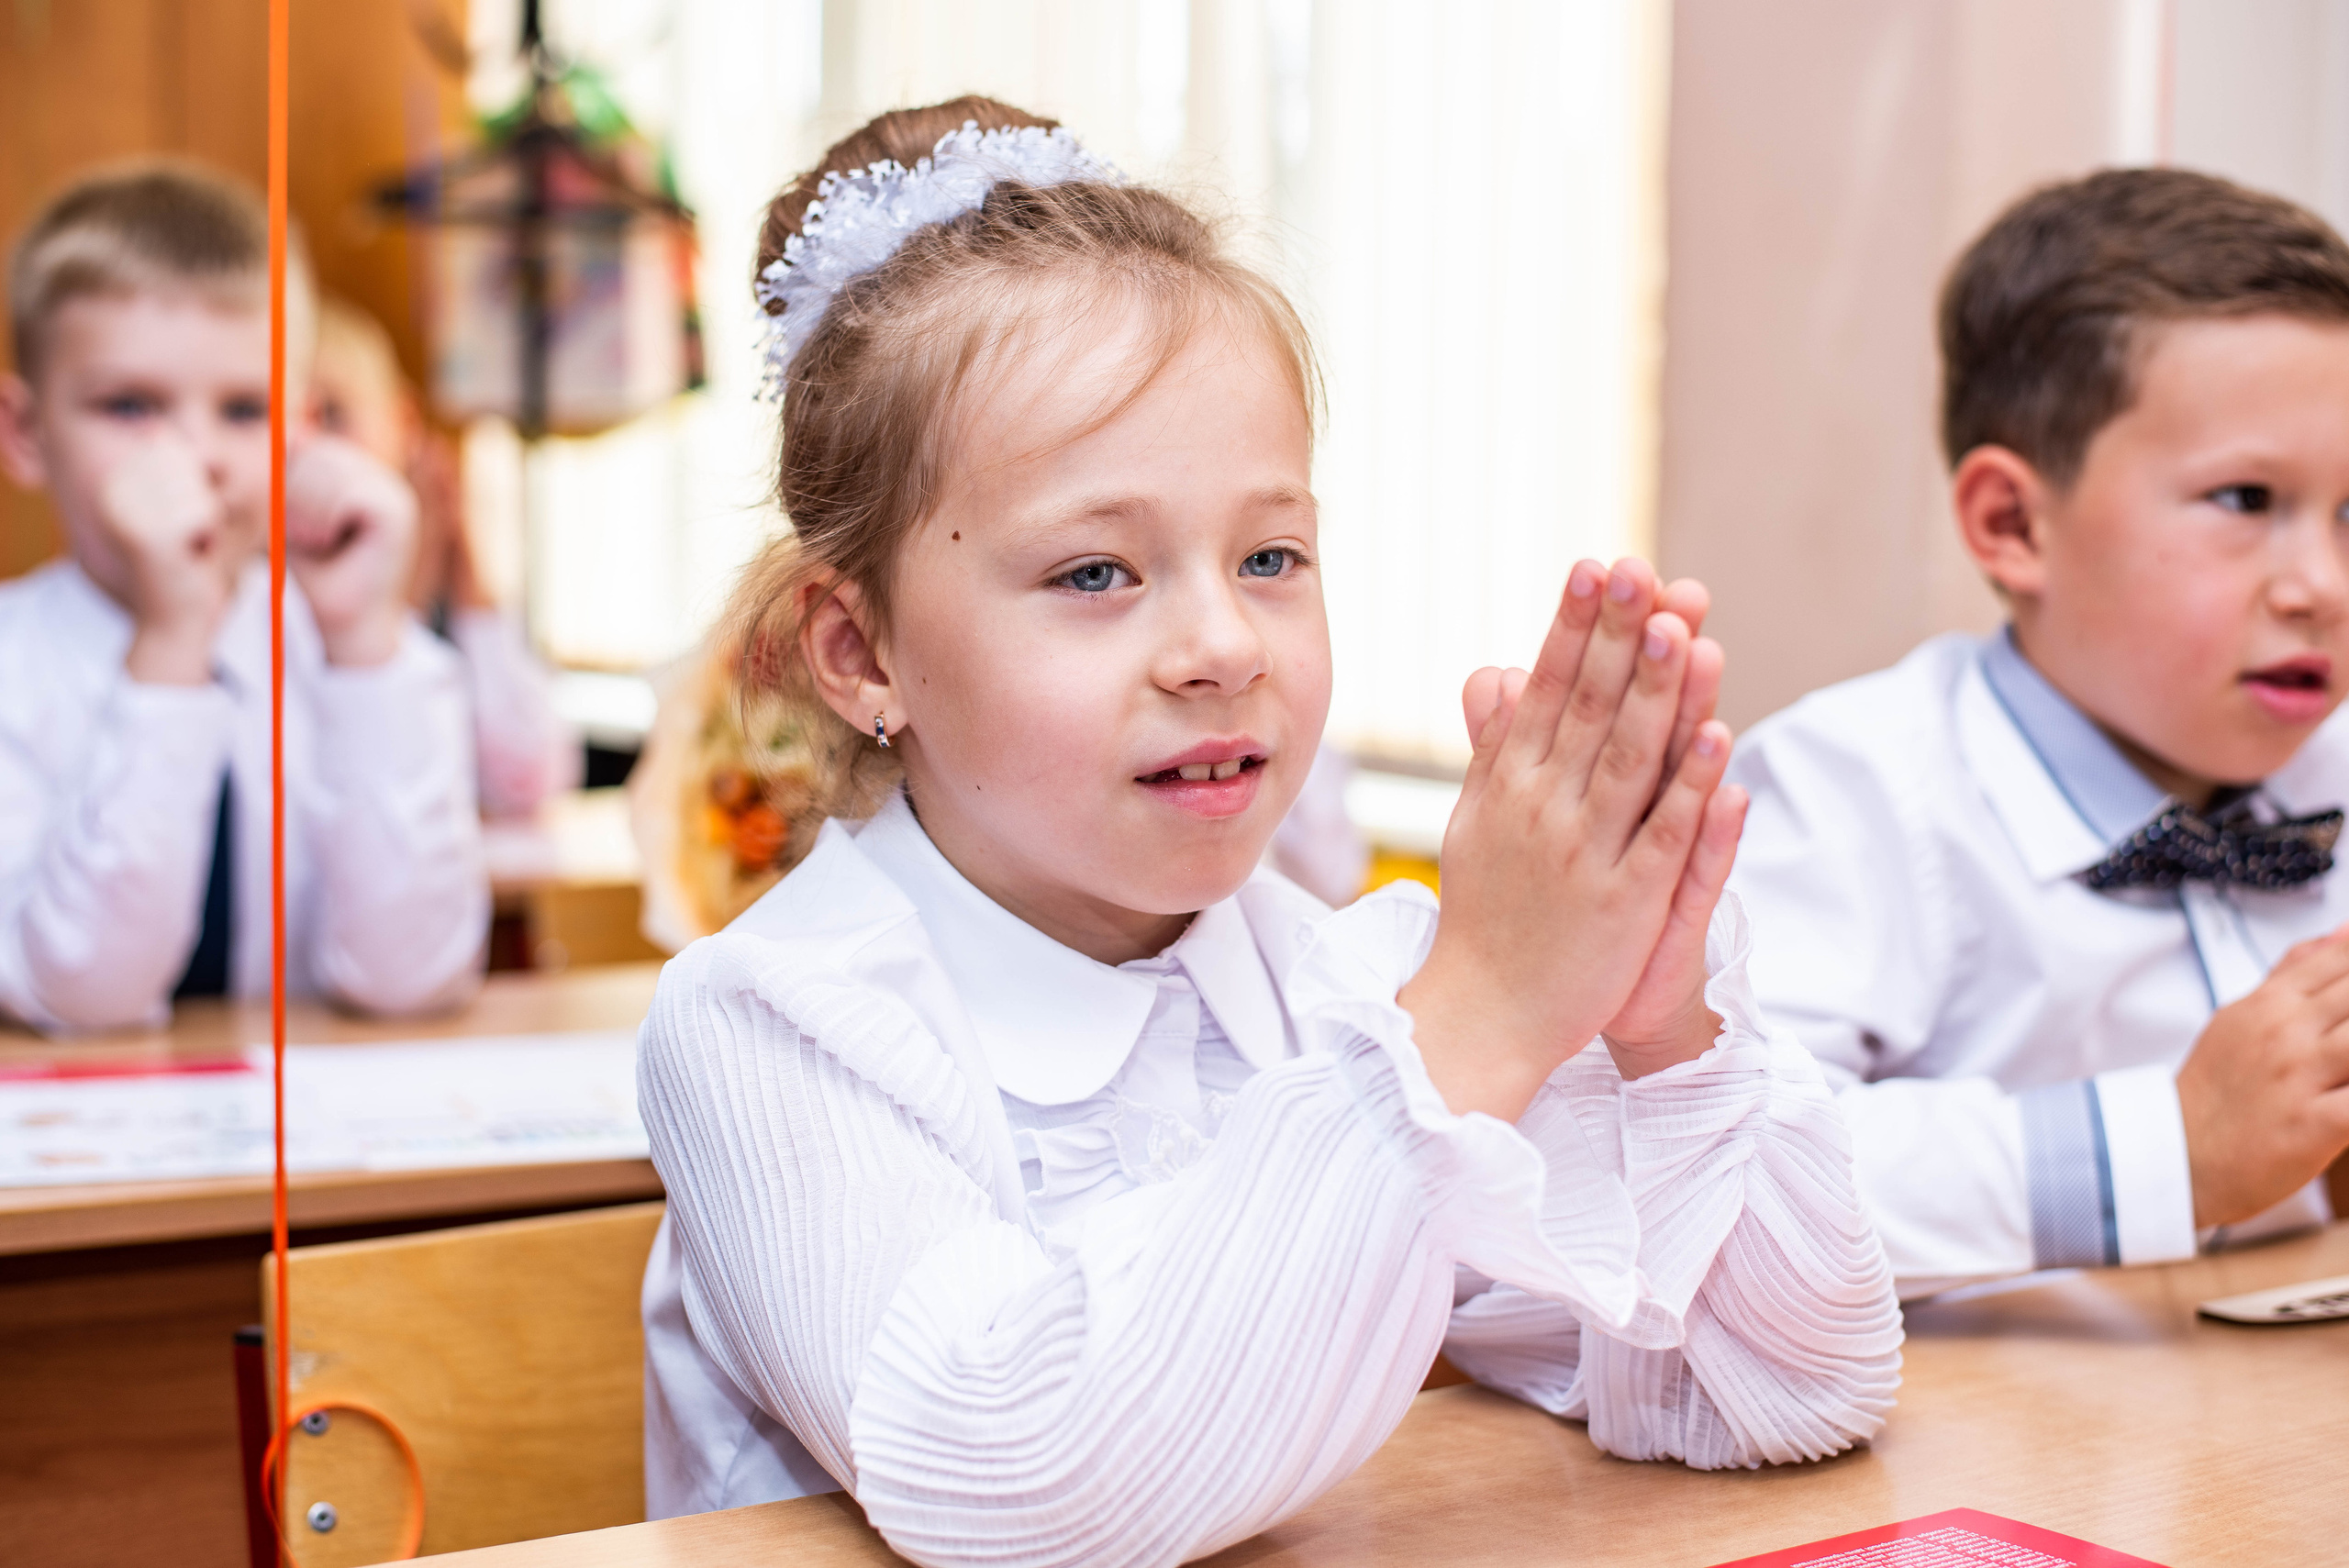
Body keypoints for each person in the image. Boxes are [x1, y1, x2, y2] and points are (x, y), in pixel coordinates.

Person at [636, 98, 1900, 1563]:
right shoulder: (772, 1023)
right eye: (1100, 571)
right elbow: (1026, 1493)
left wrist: (1662, 1025)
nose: (1223, 643)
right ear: (861, 656)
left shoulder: (1340, 990)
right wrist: (1476, 1022)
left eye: (1272, 555)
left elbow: (1776, 1395)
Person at [1726, 167, 2349, 1299]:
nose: (2320, 582)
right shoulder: (1855, 788)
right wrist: (2167, 1143)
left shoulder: (2333, 778)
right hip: (1954, 1450)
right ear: (2013, 524)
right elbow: (1722, 1172)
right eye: (2246, 501)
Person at [0, 161, 489, 1033]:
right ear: (26, 433)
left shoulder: (345, 646)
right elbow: (86, 999)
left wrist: (366, 643)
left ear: (298, 426)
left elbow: (413, 977)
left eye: (242, 409)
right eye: (130, 405)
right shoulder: (15, 665)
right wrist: (171, 643)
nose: (198, 453)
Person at [309, 295, 579, 819]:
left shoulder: (447, 564)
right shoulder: (275, 591)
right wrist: (399, 605)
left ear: (405, 422)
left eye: (333, 415)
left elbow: (535, 778)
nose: (312, 448)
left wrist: (468, 579)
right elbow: (353, 785)